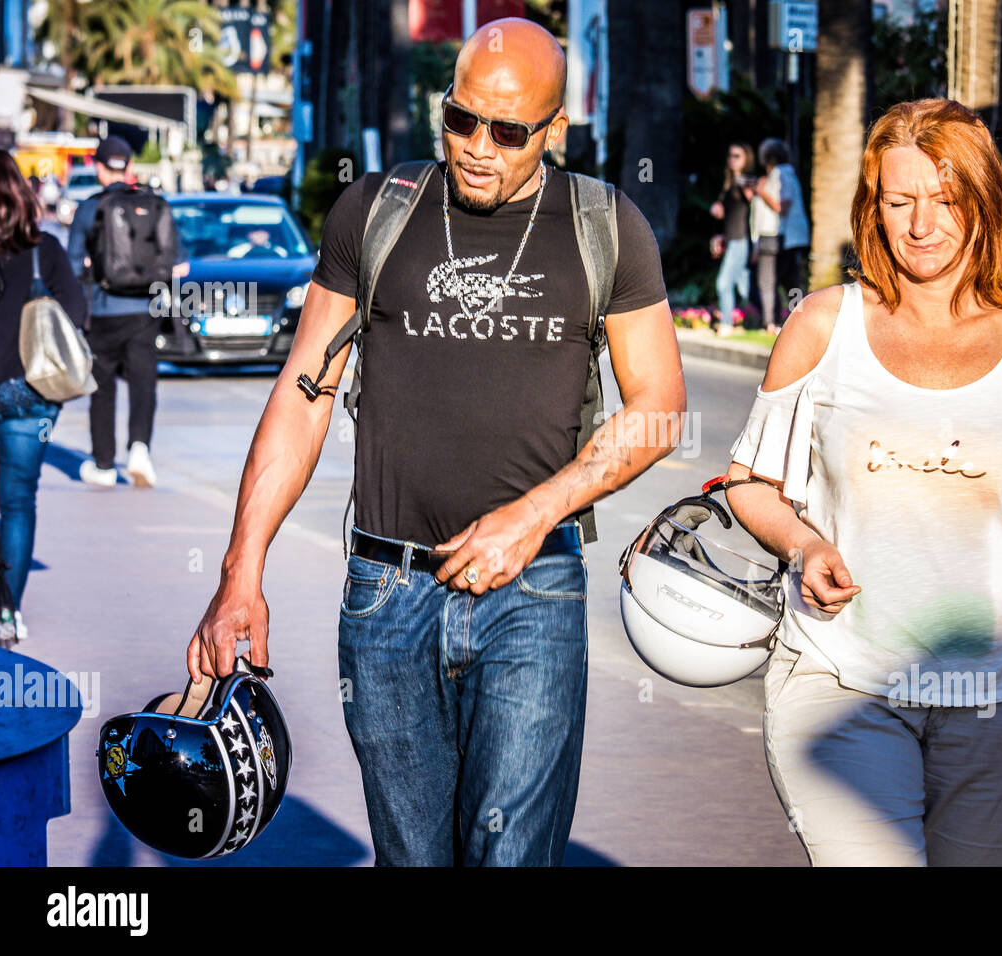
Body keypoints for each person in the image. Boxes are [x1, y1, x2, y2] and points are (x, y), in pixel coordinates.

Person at [186, 18, 685, 866]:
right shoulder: (376, 211)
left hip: (534, 596)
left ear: (554, 130)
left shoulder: (605, 223)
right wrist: (240, 575)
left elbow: (661, 406)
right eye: (462, 120)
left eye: (508, 131)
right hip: (386, 598)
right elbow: (302, 398)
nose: (479, 148)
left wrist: (531, 516)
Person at [724, 99, 1002, 866]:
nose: (921, 225)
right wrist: (803, 541)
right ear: (872, 209)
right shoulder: (822, 326)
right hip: (841, 684)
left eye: (946, 202)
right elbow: (749, 483)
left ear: (983, 204)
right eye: (899, 201)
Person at [0, 149, 87, 642]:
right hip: (29, 395)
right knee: (17, 502)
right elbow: (75, 311)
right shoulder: (43, 250)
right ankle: (6, 614)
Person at [67, 135, 186, 489]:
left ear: (98, 167)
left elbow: (74, 264)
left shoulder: (89, 208)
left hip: (102, 311)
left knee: (101, 387)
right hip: (144, 310)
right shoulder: (153, 204)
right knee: (143, 381)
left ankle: (103, 463)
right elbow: (177, 261)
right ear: (130, 167)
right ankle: (139, 449)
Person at [749, 138, 809, 333]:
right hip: (789, 238)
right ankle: (796, 321)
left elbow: (782, 207)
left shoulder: (782, 175)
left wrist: (761, 192)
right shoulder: (784, 174)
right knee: (788, 280)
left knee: (774, 280)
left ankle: (773, 322)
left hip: (787, 238)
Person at [709, 142, 755, 335]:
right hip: (731, 239)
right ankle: (757, 320)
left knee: (724, 283)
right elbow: (728, 215)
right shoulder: (728, 184)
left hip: (742, 240)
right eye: (730, 156)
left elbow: (752, 200)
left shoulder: (747, 181)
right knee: (745, 288)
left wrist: (739, 180)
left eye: (737, 156)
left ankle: (727, 323)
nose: (732, 159)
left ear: (746, 159)